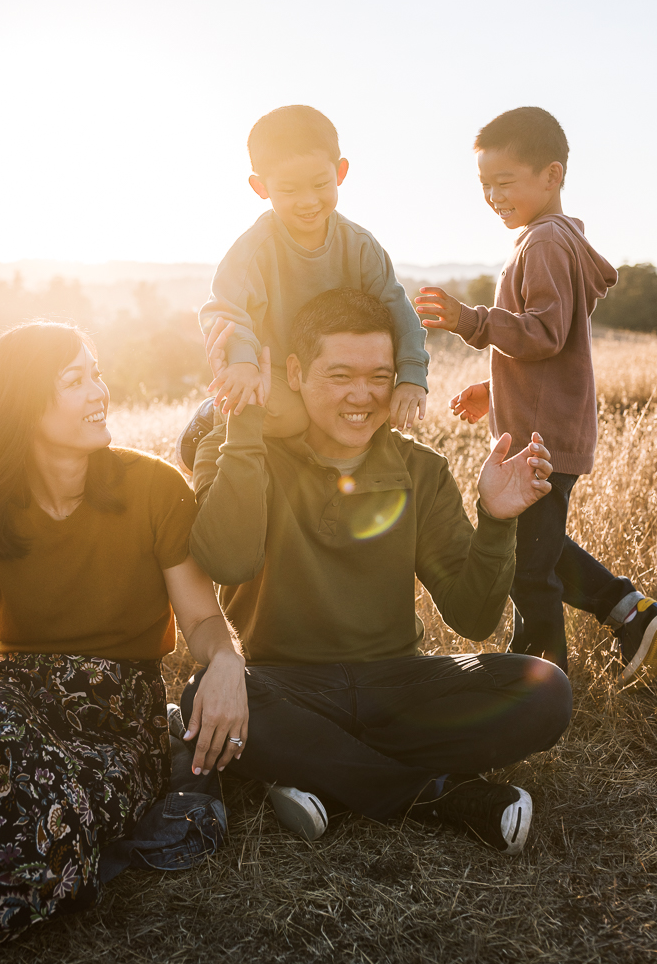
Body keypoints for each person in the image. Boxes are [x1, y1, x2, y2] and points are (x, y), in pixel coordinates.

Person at [0, 321, 247, 949]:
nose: (101, 391)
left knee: (45, 821)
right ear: (25, 403)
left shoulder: (154, 489)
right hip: (12, 699)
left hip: (117, 724)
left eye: (97, 372)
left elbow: (202, 620)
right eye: (76, 379)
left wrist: (227, 661)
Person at [181, 289, 572, 855]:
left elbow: (473, 615)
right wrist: (245, 428)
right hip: (285, 689)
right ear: (294, 372)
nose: (362, 396)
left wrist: (495, 519)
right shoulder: (236, 450)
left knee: (545, 690)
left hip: (398, 685)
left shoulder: (422, 470)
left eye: (379, 376)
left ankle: (325, 777)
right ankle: (439, 796)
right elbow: (227, 560)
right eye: (339, 375)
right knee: (206, 696)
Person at [415, 106, 656, 679]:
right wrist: (493, 387)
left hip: (541, 437)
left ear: (552, 176)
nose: (493, 196)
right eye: (483, 185)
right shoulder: (547, 238)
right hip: (538, 424)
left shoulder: (545, 242)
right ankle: (631, 610)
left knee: (529, 569)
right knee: (536, 550)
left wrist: (470, 321)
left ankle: (538, 684)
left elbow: (545, 332)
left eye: (504, 182)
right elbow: (550, 344)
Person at [179, 105, 428, 465]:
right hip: (275, 372)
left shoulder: (360, 246)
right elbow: (224, 309)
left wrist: (411, 374)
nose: (308, 200)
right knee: (292, 416)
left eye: (320, 184)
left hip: (338, 376)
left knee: (375, 408)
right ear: (260, 187)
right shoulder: (254, 249)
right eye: (290, 189)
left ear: (340, 172)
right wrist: (244, 363)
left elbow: (397, 309)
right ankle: (211, 418)